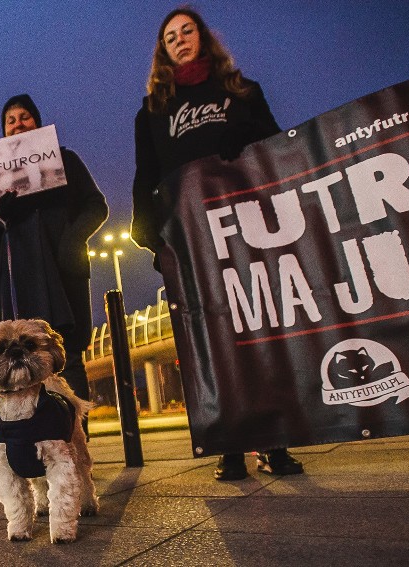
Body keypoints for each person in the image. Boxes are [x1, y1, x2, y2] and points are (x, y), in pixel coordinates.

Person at [130, 7, 304, 481]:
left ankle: (275, 440)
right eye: (171, 36)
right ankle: (231, 441)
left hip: (247, 223)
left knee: (258, 327)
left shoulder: (242, 90)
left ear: (203, 38)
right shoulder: (151, 112)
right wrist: (143, 225)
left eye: (188, 31)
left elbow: (277, 144)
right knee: (214, 337)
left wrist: (244, 132)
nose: (181, 39)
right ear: (162, 51)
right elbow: (146, 174)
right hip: (193, 234)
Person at [0, 94, 108, 415]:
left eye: (25, 117)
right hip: (13, 283)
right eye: (11, 120)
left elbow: (95, 206)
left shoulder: (65, 160)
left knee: (67, 358)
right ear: (3, 131)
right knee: (13, 363)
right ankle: (27, 446)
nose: (19, 124)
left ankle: (75, 448)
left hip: (59, 276)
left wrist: (72, 241)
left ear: (38, 122)